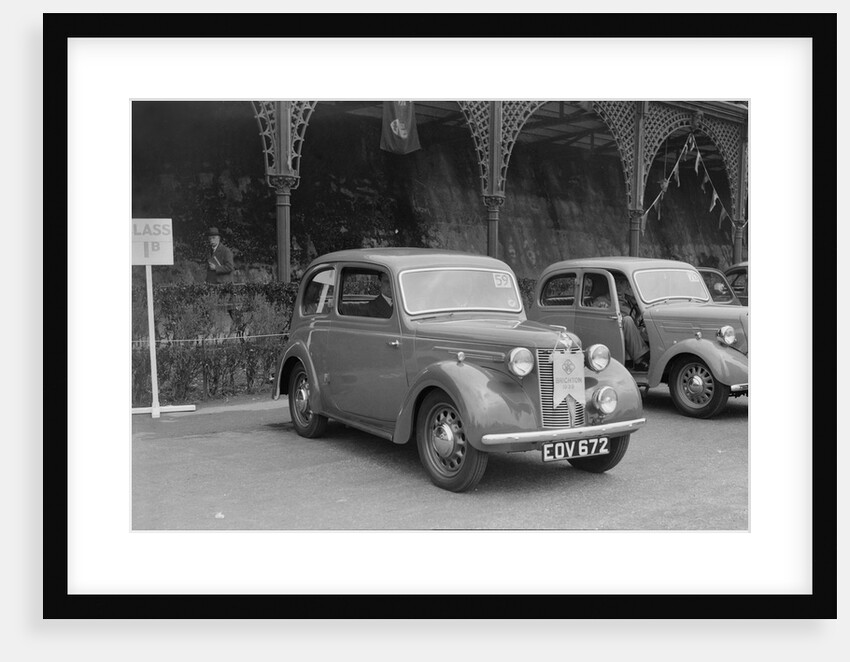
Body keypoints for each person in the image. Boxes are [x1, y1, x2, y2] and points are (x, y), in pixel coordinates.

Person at [586, 275, 650, 370]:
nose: (620, 286)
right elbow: (595, 316)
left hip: (633, 328)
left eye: (623, 283)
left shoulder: (629, 299)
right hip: (614, 331)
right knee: (627, 320)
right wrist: (603, 309)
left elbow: (637, 315)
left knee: (648, 326)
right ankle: (641, 359)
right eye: (617, 283)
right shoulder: (602, 300)